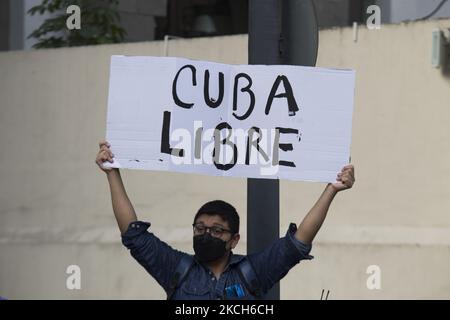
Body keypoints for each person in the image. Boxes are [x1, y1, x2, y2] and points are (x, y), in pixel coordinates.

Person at [95, 140, 355, 300]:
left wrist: (331, 189)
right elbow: (133, 235)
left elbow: (298, 243)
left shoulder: (252, 272)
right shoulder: (176, 269)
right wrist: (112, 173)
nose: (206, 234)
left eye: (217, 230)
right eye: (200, 228)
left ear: (234, 240)